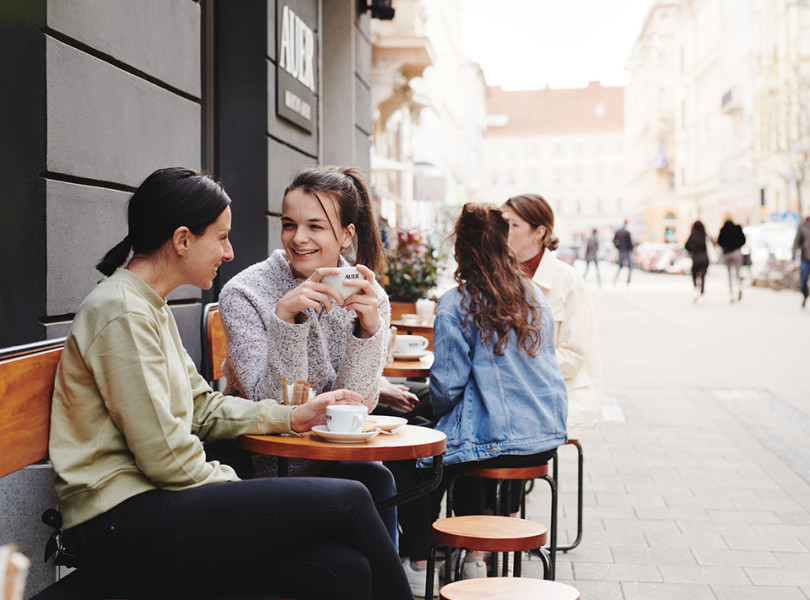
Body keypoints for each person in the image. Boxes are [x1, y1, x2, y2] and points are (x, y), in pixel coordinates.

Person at [47, 167, 412, 600]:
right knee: (350, 499)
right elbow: (164, 455)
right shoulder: (121, 310)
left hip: (158, 500)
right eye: (221, 237)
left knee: (342, 568)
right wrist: (241, 492)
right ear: (183, 240)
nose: (230, 251)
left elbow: (203, 408)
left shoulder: (147, 306)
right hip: (120, 514)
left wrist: (292, 416)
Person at [218, 166, 398, 543]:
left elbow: (359, 406)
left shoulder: (369, 296)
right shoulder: (244, 292)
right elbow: (269, 406)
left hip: (338, 457)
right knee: (374, 484)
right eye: (289, 224)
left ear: (346, 236)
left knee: (381, 479)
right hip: (266, 463)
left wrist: (368, 332)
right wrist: (285, 319)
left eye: (315, 227)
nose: (298, 238)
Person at [423, 202, 568, 577]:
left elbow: (446, 387)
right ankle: (478, 550)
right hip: (545, 437)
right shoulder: (533, 296)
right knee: (467, 436)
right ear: (505, 246)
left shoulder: (456, 304)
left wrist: (435, 408)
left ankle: (439, 556)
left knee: (433, 448)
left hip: (497, 444)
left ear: (461, 250)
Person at [502, 193, 602, 443]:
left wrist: (515, 363)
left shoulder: (568, 281)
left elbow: (574, 355)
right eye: (502, 223)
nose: (504, 231)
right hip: (506, 392)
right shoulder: (497, 277)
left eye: (513, 225)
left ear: (539, 232)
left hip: (554, 394)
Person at [717, 215, 746, 303]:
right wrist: (737, 246)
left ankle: (731, 294)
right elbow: (743, 240)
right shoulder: (737, 228)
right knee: (737, 273)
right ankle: (739, 286)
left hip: (727, 254)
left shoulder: (723, 229)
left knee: (729, 275)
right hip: (737, 253)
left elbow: (719, 241)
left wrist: (726, 246)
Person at [685, 220, 710, 302]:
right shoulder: (705, 235)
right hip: (704, 257)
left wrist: (693, 250)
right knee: (703, 275)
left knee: (694, 273)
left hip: (696, 257)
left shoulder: (693, 235)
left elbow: (687, 246)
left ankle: (696, 287)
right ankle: (702, 293)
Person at [793, 215, 810, 308]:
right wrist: (793, 257)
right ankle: (805, 295)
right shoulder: (802, 225)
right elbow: (796, 242)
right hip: (805, 259)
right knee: (803, 281)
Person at [613, 219, 634, 284]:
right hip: (627, 251)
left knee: (620, 266)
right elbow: (630, 243)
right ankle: (628, 280)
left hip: (621, 250)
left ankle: (616, 277)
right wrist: (632, 250)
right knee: (630, 266)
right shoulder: (627, 232)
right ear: (627, 223)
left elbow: (614, 240)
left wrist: (618, 247)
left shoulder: (618, 231)